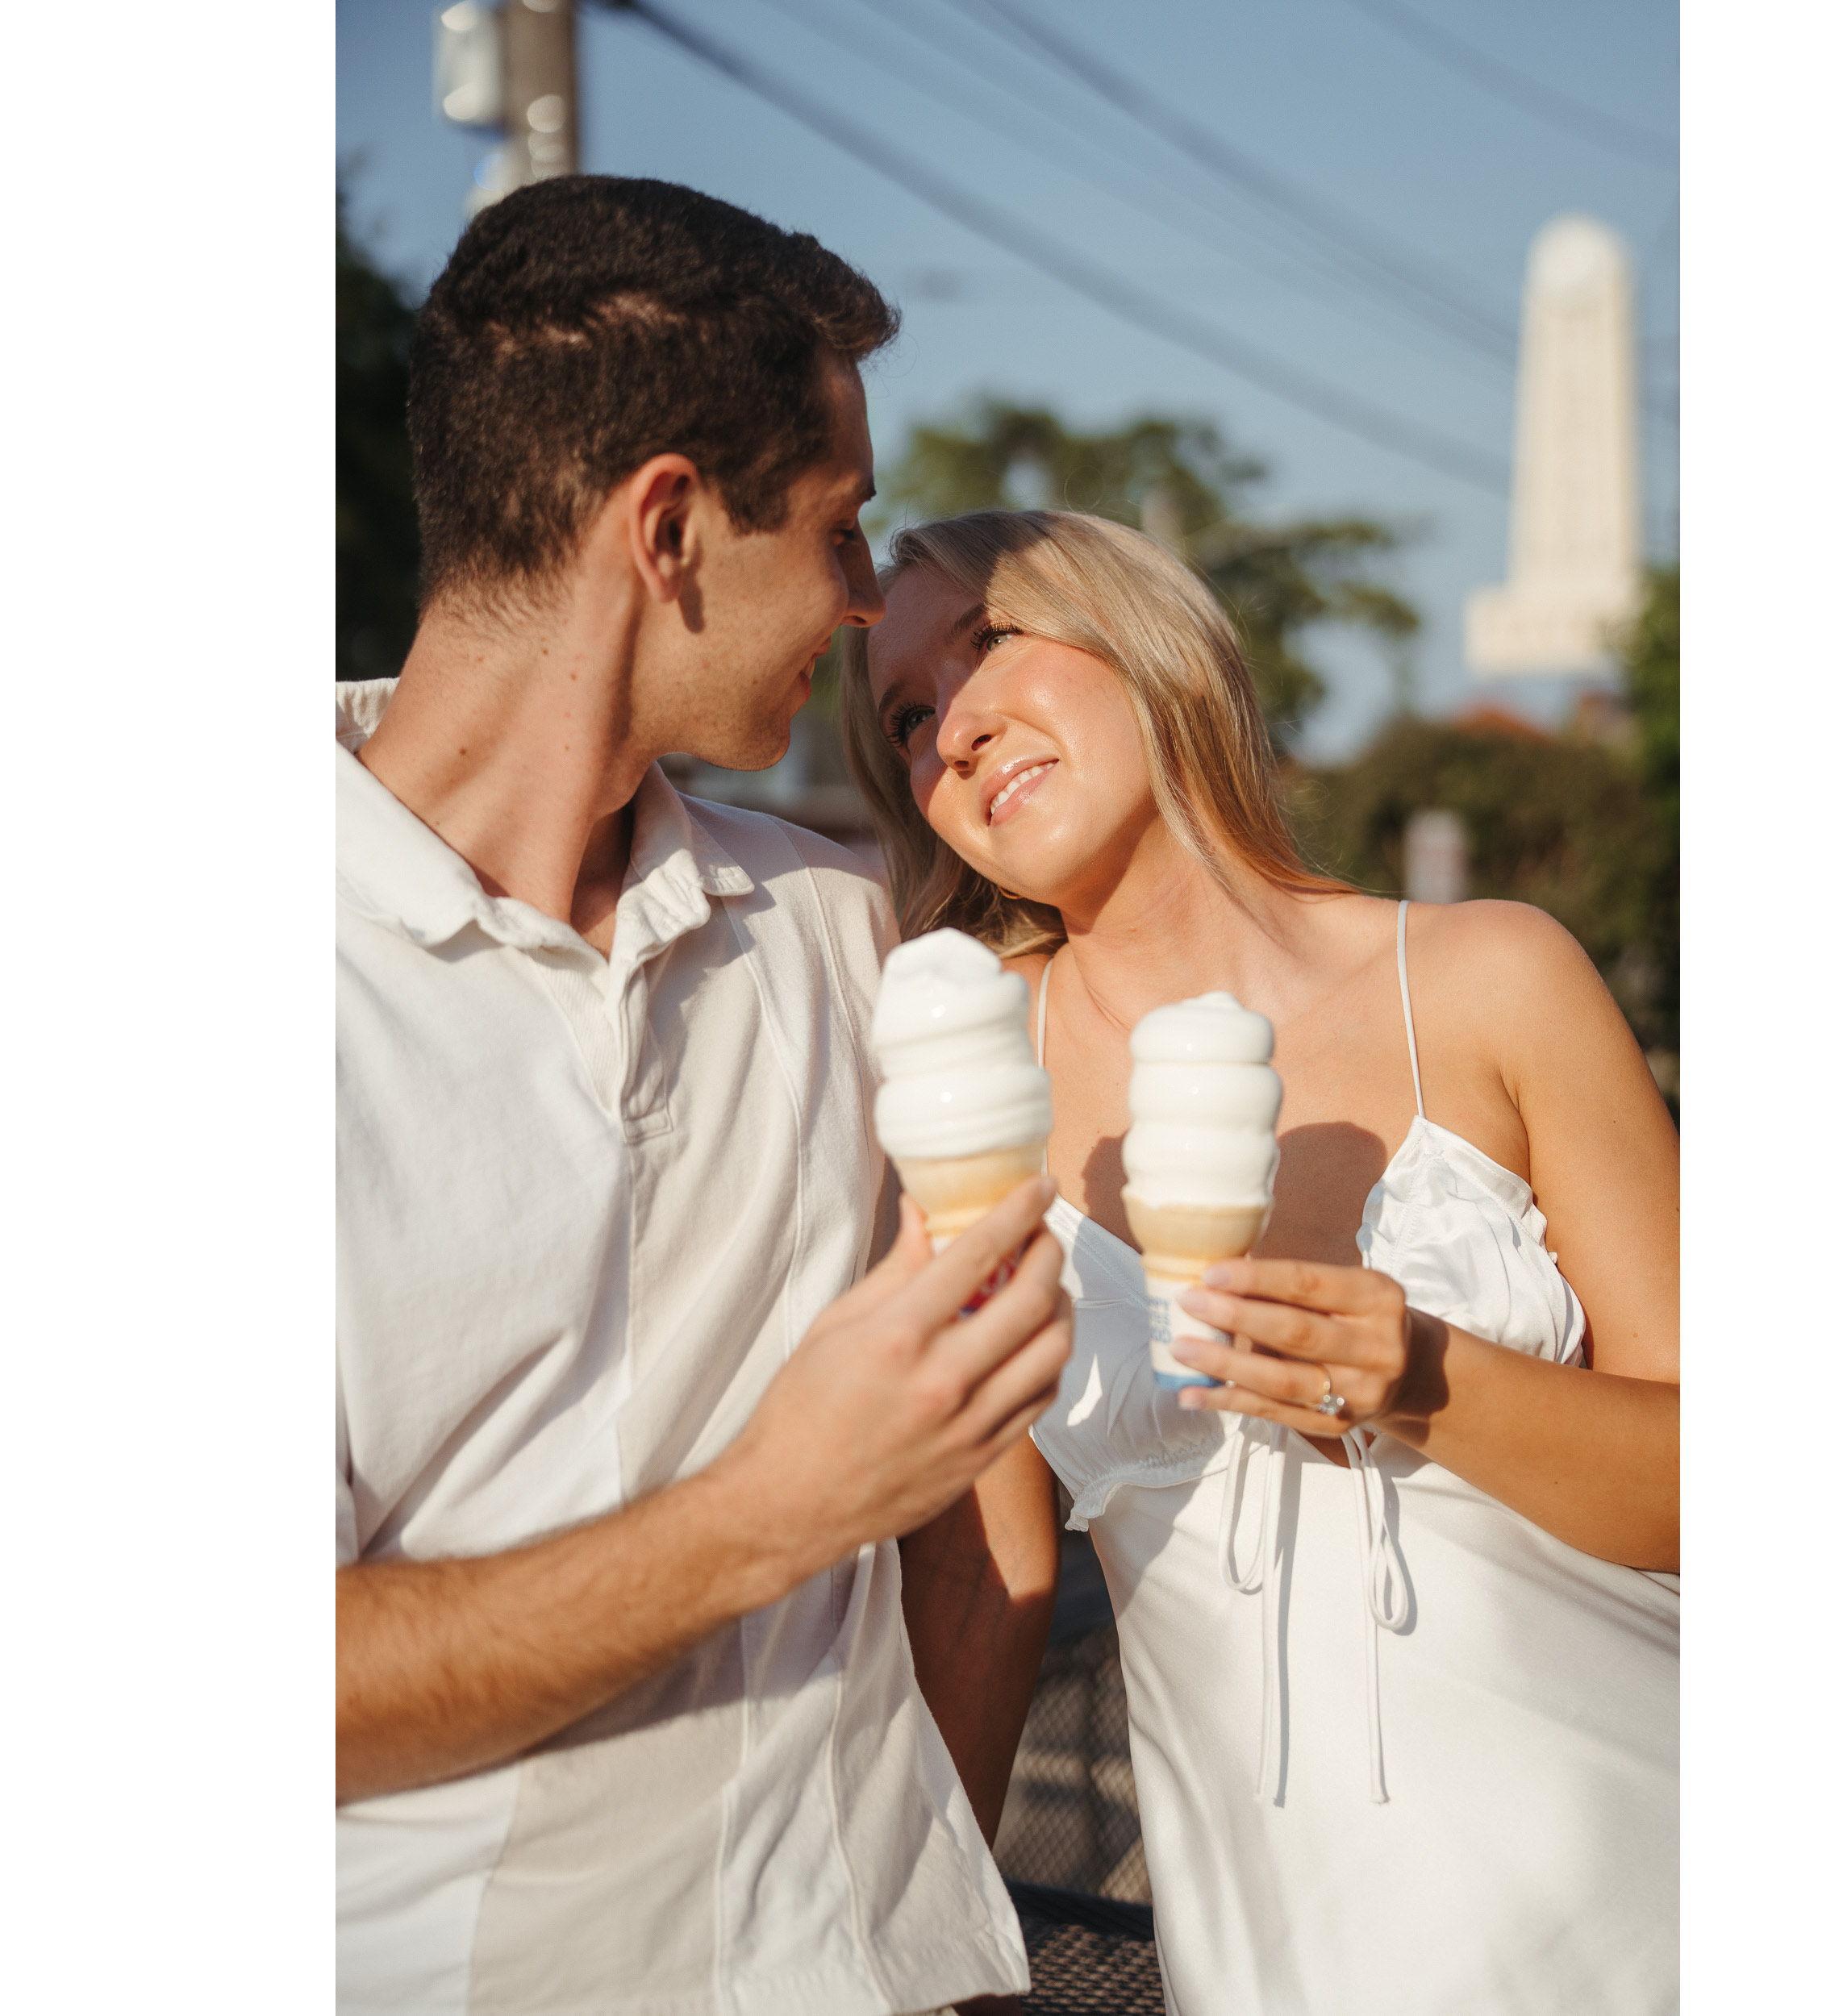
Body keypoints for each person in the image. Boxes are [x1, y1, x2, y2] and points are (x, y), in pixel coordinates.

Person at [336, 178, 1071, 2016]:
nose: (850, 601)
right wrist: (770, 1504)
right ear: (667, 528)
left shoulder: (833, 927)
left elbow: (979, 1510)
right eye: (836, 530)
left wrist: (933, 1914)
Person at [843, 508, 1680, 2014]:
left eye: (986, 645)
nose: (951, 734)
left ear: (1147, 638)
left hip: (1655, 1880)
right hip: (1296, 1954)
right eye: (907, 719)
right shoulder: (973, 1080)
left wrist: (1426, 1375)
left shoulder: (1494, 978)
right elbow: (987, 1574)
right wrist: (929, 1972)